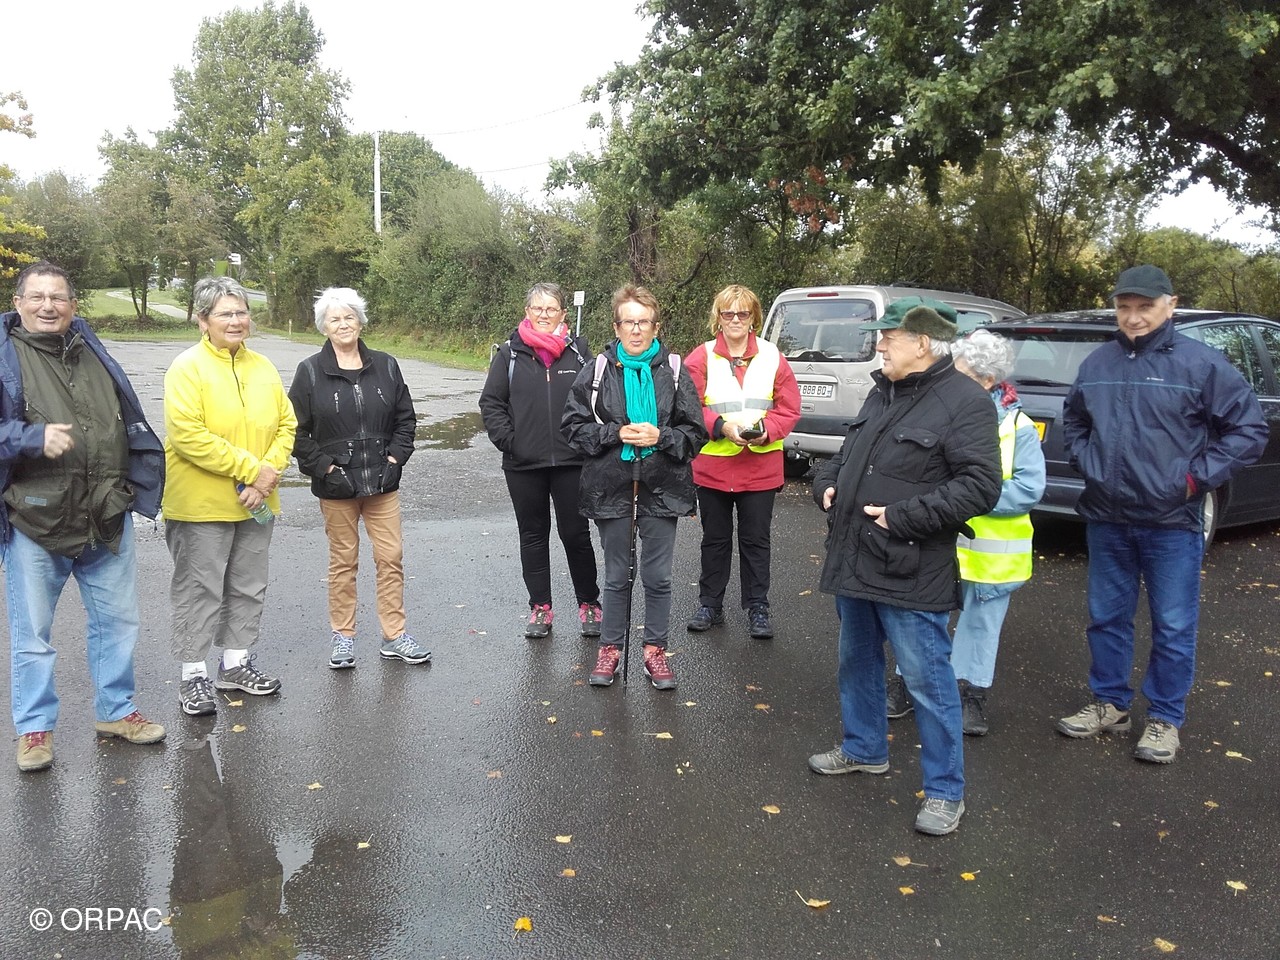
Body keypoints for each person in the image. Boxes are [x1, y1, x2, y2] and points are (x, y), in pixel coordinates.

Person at [1055, 265, 1267, 763]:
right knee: (1106, 618)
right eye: (1124, 307)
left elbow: (1249, 430)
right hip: (1108, 516)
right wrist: (1090, 465)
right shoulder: (1098, 362)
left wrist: (1191, 481)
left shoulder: (1201, 364)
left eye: (1145, 307)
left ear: (1170, 305)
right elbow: (1075, 419)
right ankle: (1110, 703)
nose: (1133, 317)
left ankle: (1165, 718)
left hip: (1171, 521)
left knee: (1172, 625)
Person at [807, 298, 1001, 836]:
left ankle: (945, 791)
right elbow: (848, 453)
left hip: (912, 567)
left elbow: (981, 486)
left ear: (922, 343)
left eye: (889, 336)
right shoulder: (882, 390)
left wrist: (902, 516)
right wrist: (827, 482)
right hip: (855, 558)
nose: (880, 345)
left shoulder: (966, 401)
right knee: (857, 661)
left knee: (928, 681)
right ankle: (864, 748)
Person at [1, 261, 167, 772]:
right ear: (18, 303)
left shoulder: (91, 349)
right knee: (33, 636)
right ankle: (34, 729)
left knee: (117, 624)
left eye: (58, 297)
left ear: (73, 306)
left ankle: (116, 711)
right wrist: (31, 437)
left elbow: (125, 419)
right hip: (36, 519)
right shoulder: (7, 357)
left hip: (105, 513)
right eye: (37, 297)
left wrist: (133, 485)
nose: (48, 306)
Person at [884, 329, 1045, 736]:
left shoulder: (1019, 427)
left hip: (993, 557)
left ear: (988, 380)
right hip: (941, 542)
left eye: (963, 376)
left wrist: (966, 498)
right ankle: (907, 685)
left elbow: (1028, 488)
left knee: (980, 627)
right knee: (920, 619)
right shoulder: (942, 413)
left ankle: (972, 696)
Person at [163, 276, 297, 716]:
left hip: (257, 502)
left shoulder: (263, 367)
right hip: (201, 505)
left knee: (248, 585)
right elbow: (187, 435)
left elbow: (287, 425)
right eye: (225, 313)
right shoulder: (187, 368)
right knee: (199, 589)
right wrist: (251, 470)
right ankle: (193, 675)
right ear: (203, 320)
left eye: (241, 312)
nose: (236, 320)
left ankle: (235, 664)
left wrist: (264, 479)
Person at [561, 284, 706, 690]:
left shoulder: (673, 371)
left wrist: (661, 436)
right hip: (611, 485)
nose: (636, 330)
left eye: (644, 322)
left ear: (656, 327)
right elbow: (572, 428)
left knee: (657, 577)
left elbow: (695, 434)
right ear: (616, 326)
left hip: (662, 486)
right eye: (629, 322)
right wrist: (615, 433)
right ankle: (610, 648)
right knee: (617, 575)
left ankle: (655, 650)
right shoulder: (597, 370)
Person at [289, 287, 429, 669]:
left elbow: (405, 419)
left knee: (391, 559)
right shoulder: (309, 372)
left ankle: (395, 636)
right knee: (343, 562)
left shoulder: (386, 365)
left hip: (382, 484)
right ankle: (343, 637)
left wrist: (395, 458)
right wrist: (325, 468)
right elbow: (295, 431)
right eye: (334, 319)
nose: (343, 324)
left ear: (361, 321)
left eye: (349, 316)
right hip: (337, 488)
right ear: (324, 326)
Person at [478, 282, 602, 639]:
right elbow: (491, 403)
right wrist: (510, 441)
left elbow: (597, 400)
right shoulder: (509, 354)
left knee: (576, 534)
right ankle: (540, 608)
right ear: (527, 312)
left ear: (563, 313)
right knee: (533, 535)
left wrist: (587, 440)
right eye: (537, 308)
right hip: (523, 464)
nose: (544, 314)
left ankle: (589, 604)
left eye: (551, 309)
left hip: (572, 461)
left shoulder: (579, 353)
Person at [683, 284, 800, 639]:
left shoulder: (772, 356)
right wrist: (720, 426)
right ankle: (710, 604)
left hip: (759, 467)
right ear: (718, 317)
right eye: (728, 313)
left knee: (756, 541)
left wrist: (767, 431)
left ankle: (758, 607)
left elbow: (789, 407)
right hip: (713, 467)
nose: (735, 319)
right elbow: (687, 406)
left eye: (743, 313)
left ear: (753, 318)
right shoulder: (700, 357)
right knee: (714, 540)